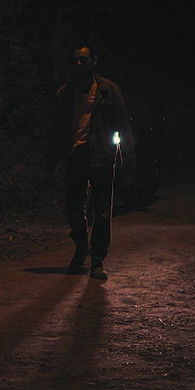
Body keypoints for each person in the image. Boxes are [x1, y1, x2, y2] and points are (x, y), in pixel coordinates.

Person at [46, 44, 130, 280]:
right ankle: (81, 246)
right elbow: (57, 128)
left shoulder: (108, 90)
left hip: (100, 154)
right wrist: (57, 157)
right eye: (75, 60)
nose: (78, 64)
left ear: (94, 61)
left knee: (101, 210)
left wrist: (119, 153)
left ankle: (97, 259)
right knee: (74, 206)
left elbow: (121, 123)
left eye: (83, 60)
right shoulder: (66, 93)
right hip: (75, 154)